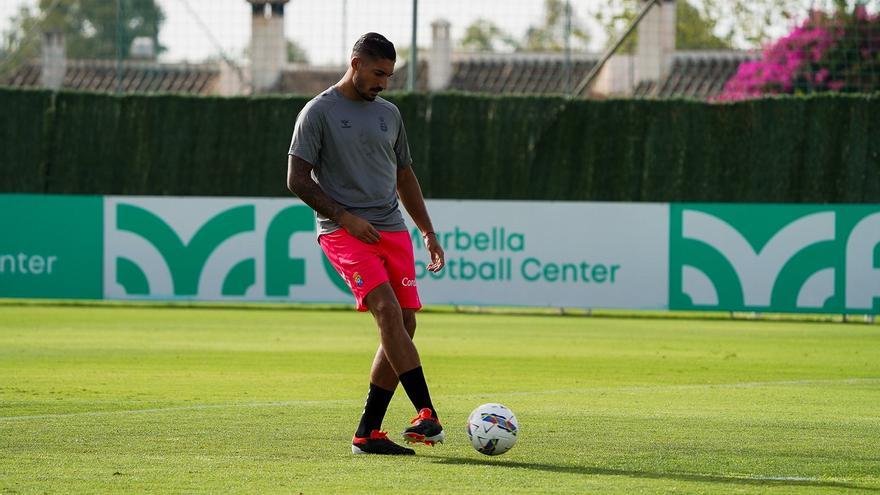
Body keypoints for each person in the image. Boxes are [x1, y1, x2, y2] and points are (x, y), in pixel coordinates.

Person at [287, 32, 446, 456]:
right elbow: (297, 180)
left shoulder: (390, 115)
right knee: (387, 311)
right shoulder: (317, 112)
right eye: (378, 73)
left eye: (389, 76)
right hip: (343, 231)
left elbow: (404, 175)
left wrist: (427, 231)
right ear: (355, 62)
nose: (384, 84)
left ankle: (367, 434)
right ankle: (425, 411)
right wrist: (344, 218)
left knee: (405, 324)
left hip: (390, 229)